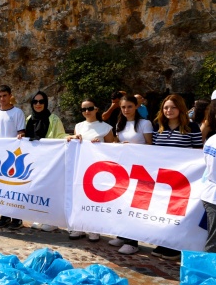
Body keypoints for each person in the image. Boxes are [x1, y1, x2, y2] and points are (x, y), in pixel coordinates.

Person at [150, 94, 202, 260]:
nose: (169, 110)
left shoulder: (192, 127)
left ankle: (175, 246)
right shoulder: (157, 126)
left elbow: (198, 153)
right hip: (161, 180)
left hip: (182, 180)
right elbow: (151, 151)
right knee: (161, 211)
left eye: (172, 107)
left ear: (180, 109)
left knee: (176, 213)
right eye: (166, 107)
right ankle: (164, 242)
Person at [105, 95, 154, 254]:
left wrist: (132, 147)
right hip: (123, 169)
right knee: (122, 203)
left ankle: (133, 242)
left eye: (129, 107)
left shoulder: (145, 123)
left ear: (136, 106)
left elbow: (150, 146)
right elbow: (117, 143)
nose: (126, 110)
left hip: (140, 170)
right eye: (123, 107)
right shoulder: (120, 123)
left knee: (134, 206)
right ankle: (122, 235)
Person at [66, 97, 114, 241]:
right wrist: (72, 137)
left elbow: (112, 148)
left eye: (90, 108)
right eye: (84, 109)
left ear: (96, 109)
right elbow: (73, 143)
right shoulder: (79, 126)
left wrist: (100, 144)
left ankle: (94, 229)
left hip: (99, 168)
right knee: (79, 196)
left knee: (95, 198)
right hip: (81, 166)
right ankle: (79, 227)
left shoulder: (106, 127)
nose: (87, 111)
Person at [25, 91, 67, 232]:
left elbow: (61, 135)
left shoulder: (53, 119)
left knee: (50, 190)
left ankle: (52, 220)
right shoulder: (29, 119)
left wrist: (70, 137)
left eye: (41, 101)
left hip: (50, 160)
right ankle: (39, 217)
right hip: (34, 160)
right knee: (37, 189)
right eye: (35, 102)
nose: (38, 104)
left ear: (46, 103)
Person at [0, 85, 26, 229]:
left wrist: (20, 136)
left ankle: (17, 218)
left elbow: (21, 132)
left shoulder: (17, 112)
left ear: (10, 96)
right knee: (0, 187)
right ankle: (4, 216)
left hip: (13, 157)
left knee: (14, 188)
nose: (2, 99)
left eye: (4, 95)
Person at [201, 132, 216, 253]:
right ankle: (210, 270)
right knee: (213, 240)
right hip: (213, 196)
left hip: (210, 193)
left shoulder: (212, 139)